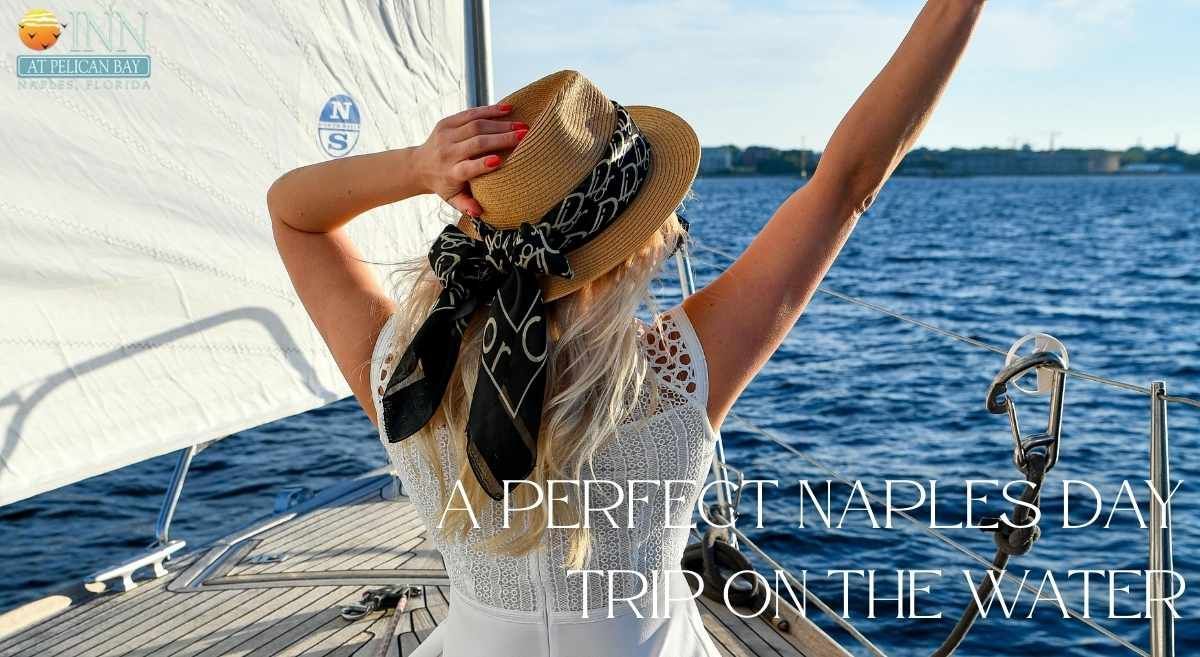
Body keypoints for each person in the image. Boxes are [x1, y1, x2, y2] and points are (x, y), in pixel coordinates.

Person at [267, 2, 986, 654]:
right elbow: (848, 180)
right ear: (635, 245)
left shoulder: (411, 372)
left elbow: (292, 212)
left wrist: (419, 166)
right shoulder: (675, 378)